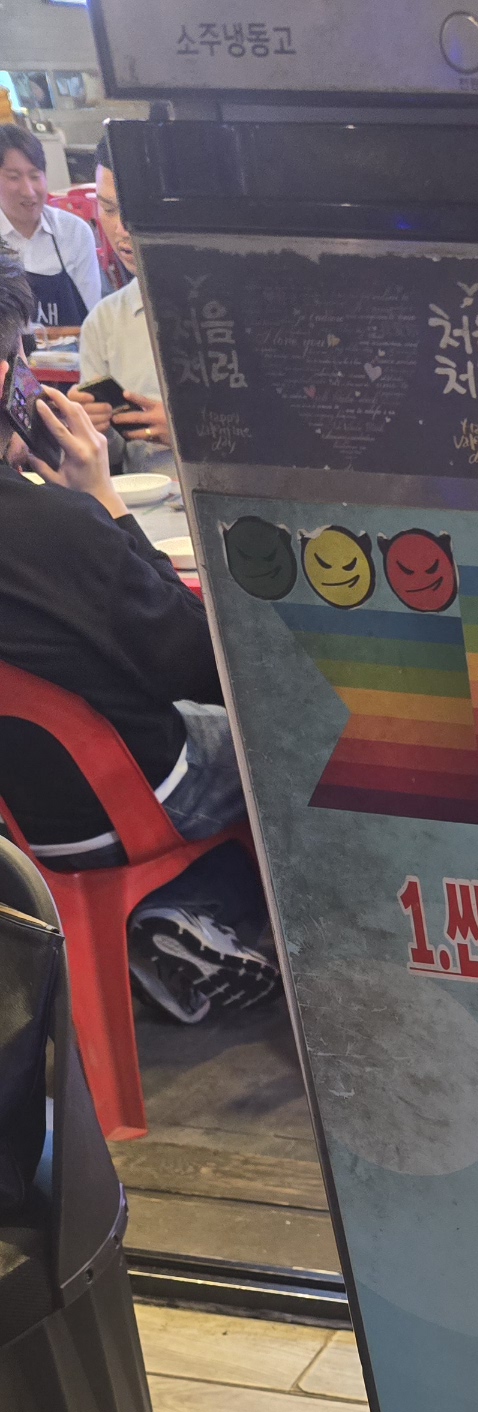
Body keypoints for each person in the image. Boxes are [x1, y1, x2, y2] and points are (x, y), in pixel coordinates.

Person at [0, 257, 278, 1022]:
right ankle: (200, 910)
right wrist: (102, 500)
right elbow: (204, 666)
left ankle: (181, 912)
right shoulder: (50, 526)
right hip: (127, 794)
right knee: (294, 738)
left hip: (20, 826)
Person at [74, 131, 169, 456]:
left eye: (134, 210)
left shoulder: (239, 310)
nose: (121, 229)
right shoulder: (103, 323)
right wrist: (92, 429)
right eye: (109, 209)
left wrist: (191, 433)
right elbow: (112, 457)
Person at [0, 125, 102, 331]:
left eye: (35, 176)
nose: (29, 191)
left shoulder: (74, 232)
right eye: (14, 177)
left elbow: (94, 322)